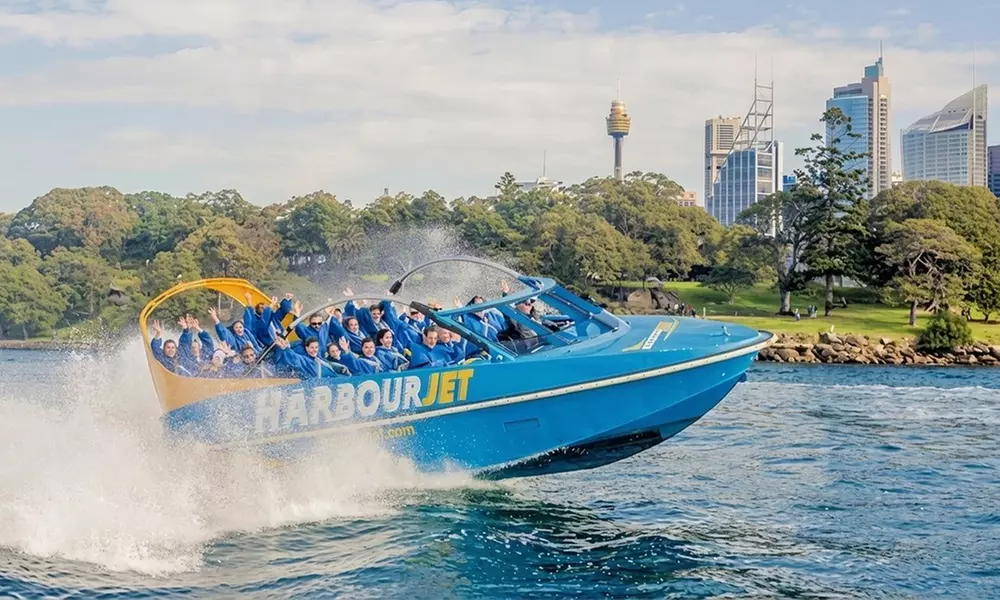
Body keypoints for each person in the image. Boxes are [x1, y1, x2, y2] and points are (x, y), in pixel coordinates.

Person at [272, 336, 344, 379]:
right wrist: (286, 349)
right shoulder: (306, 360)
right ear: (306, 348)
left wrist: (340, 367)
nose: (314, 350)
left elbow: (328, 364)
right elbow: (297, 360)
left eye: (316, 347)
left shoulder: (319, 359)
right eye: (312, 347)